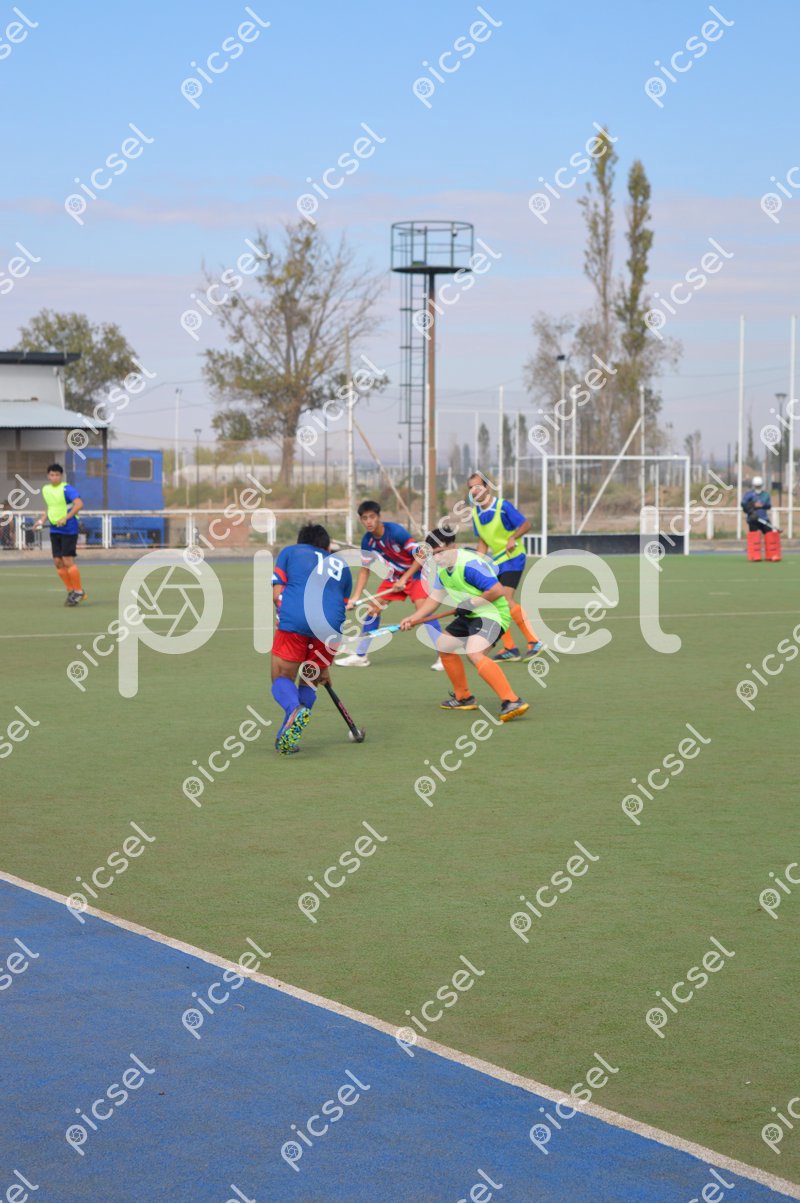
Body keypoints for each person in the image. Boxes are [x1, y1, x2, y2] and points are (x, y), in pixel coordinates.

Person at [400, 526, 529, 722]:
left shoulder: (469, 565)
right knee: (444, 645)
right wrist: (414, 618)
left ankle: (512, 700)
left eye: (440, 552)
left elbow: (497, 590)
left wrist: (471, 604)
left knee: (474, 653)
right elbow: (435, 598)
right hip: (471, 613)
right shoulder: (442, 569)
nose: (437, 558)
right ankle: (463, 697)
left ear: (453, 546)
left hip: (493, 613)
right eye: (433, 554)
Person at [271, 523, 352, 755]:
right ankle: (286, 738)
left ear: (301, 541)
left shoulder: (290, 551)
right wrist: (323, 665)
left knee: (281, 677)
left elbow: (277, 594)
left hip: (296, 620)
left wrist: (284, 617)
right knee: (309, 680)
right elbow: (339, 605)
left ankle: (294, 708)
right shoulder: (342, 565)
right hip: (331, 630)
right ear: (327, 546)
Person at [335, 499, 443, 670]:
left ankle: (444, 656)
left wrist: (404, 578)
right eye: (365, 518)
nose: (369, 521)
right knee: (372, 610)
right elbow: (364, 571)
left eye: (372, 517)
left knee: (423, 611)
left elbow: (421, 555)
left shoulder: (396, 532)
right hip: (395, 577)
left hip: (417, 573)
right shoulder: (367, 541)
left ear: (379, 517)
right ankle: (361, 656)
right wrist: (355, 597)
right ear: (361, 520)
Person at [467, 472, 543, 662]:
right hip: (498, 562)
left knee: (506, 599)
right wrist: (477, 563)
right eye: (471, 488)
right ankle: (510, 648)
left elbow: (526, 524)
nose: (474, 491)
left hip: (513, 558)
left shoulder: (502, 506)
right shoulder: (475, 513)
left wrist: (512, 538)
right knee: (495, 603)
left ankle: (535, 641)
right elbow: (483, 542)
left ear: (487, 487)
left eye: (477, 486)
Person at [33, 464, 86, 605]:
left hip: (69, 529)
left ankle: (78, 591)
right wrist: (41, 520)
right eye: (52, 475)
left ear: (61, 476)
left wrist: (65, 518)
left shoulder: (67, 489)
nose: (54, 477)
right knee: (58, 562)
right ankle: (71, 590)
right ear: (48, 476)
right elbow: (50, 507)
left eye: (57, 475)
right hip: (55, 529)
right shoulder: (46, 489)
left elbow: (79, 504)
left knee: (67, 560)